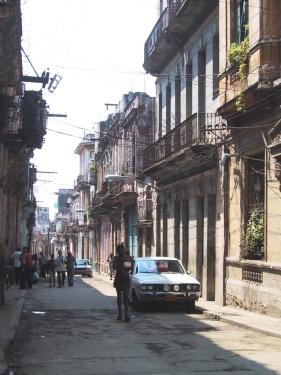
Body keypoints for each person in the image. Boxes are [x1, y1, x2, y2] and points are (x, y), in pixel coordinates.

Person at [113, 244, 133, 322]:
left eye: (122, 250)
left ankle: (126, 315)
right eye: (120, 250)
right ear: (117, 251)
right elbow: (114, 266)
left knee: (125, 297)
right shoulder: (116, 258)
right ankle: (120, 314)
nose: (121, 251)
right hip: (118, 279)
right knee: (119, 297)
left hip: (125, 279)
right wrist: (121, 262)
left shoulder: (128, 258)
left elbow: (131, 267)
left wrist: (127, 263)